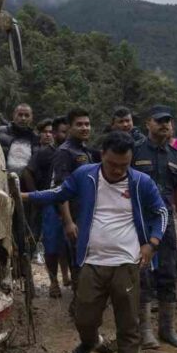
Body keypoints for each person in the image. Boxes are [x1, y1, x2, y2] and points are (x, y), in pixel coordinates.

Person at [22, 131, 167, 353]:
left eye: (124, 165)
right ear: (103, 156)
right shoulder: (86, 176)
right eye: (113, 164)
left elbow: (161, 212)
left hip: (127, 262)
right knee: (83, 316)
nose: (118, 170)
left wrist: (152, 243)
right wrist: (24, 196)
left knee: (128, 324)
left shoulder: (141, 182)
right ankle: (89, 341)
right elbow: (58, 193)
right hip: (91, 260)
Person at [131, 106, 177, 347]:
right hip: (139, 222)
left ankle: (167, 329)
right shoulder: (135, 151)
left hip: (166, 222)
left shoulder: (175, 156)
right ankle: (144, 330)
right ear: (148, 123)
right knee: (142, 274)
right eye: (159, 121)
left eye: (168, 121)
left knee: (168, 272)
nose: (164, 125)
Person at [51, 108, 100, 312]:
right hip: (75, 215)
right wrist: (68, 221)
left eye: (87, 124)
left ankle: (85, 303)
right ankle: (79, 307)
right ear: (70, 127)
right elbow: (61, 189)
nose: (84, 128)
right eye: (79, 124)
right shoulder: (65, 152)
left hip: (89, 213)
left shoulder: (85, 151)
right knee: (79, 262)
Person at [24, 117, 73, 295]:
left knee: (70, 244)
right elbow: (27, 172)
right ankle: (53, 282)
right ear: (54, 134)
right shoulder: (45, 153)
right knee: (51, 245)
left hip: (73, 204)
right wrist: (37, 196)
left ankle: (69, 277)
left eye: (68, 131)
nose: (66, 135)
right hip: (51, 204)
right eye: (62, 132)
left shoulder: (76, 152)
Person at [0, 103, 39, 176]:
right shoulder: (3, 132)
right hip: (3, 177)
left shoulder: (34, 137)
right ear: (14, 116)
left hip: (26, 181)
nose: (23, 118)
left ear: (31, 118)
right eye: (20, 115)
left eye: (27, 115)